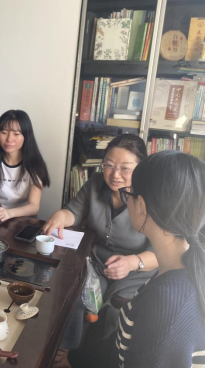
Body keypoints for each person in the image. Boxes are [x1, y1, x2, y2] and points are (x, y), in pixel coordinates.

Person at [55, 151, 205, 368]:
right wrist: (75, 359)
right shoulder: (175, 270)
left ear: (141, 206)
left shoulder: (168, 307)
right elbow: (124, 342)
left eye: (128, 193)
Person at [42, 134, 158, 349]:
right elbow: (74, 211)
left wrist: (132, 262)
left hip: (137, 270)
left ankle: (93, 358)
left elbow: (162, 250)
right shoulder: (96, 183)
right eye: (109, 165)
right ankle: (67, 351)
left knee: (115, 312)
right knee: (75, 296)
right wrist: (61, 216)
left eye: (125, 168)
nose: (115, 175)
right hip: (97, 263)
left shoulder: (152, 197)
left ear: (141, 168)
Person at [0, 110, 50, 222]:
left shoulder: (34, 165)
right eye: (4, 132)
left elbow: (34, 207)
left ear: (26, 136)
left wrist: (9, 213)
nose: (9, 139)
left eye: (16, 134)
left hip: (24, 221)